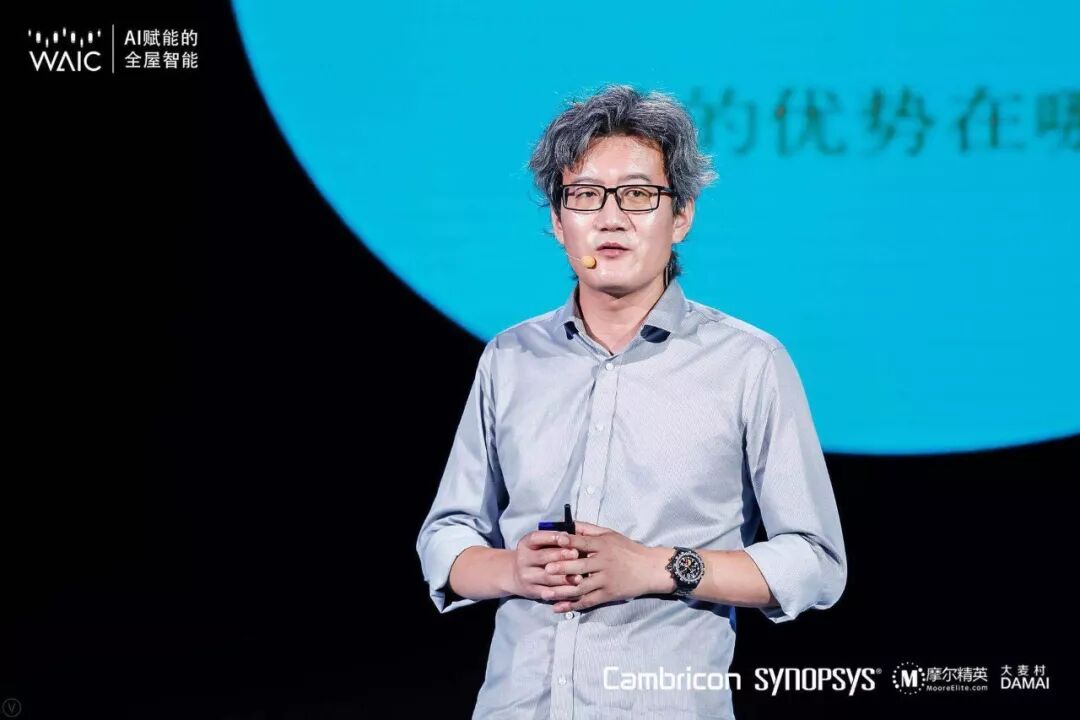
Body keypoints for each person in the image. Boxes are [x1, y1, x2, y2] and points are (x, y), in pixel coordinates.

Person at [415, 84, 847, 720]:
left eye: (639, 195)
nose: (611, 218)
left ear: (682, 215)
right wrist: (514, 571)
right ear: (558, 221)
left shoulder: (748, 363)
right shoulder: (511, 357)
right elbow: (446, 538)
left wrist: (658, 567)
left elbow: (814, 559)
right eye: (586, 195)